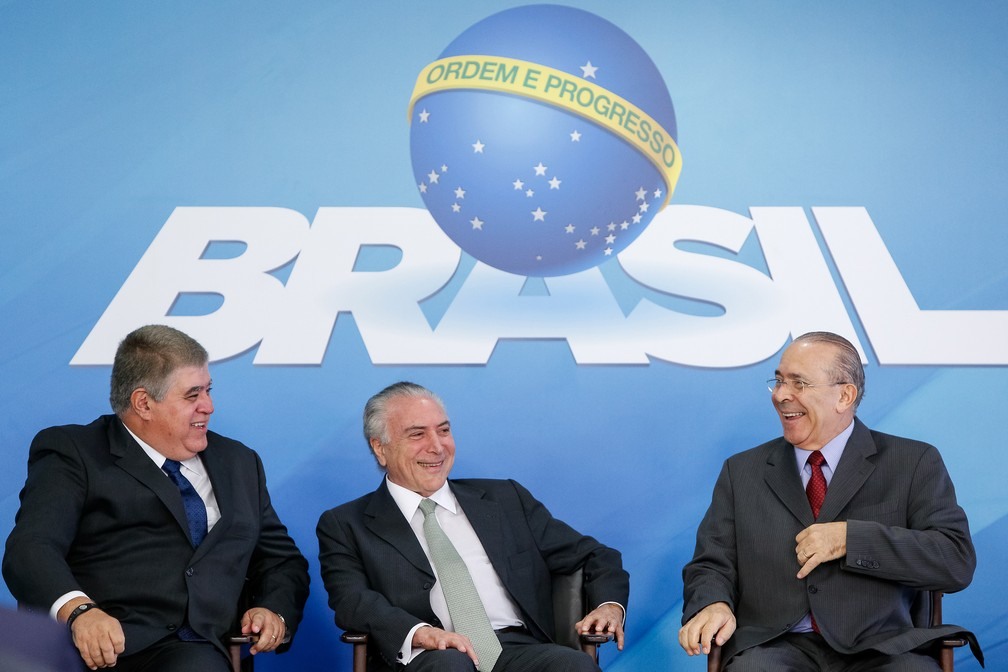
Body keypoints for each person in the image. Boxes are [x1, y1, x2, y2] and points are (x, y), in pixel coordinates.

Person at [3, 324, 310, 671]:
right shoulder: (76, 452)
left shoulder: (239, 462)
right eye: (192, 395)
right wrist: (80, 612)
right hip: (100, 646)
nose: (208, 406)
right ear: (143, 403)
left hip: (199, 648)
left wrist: (273, 610)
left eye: (208, 390)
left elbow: (281, 561)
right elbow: (31, 549)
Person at [678, 331, 982, 671]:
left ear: (845, 395)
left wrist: (851, 540)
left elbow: (955, 561)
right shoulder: (742, 471)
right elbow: (711, 563)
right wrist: (712, 603)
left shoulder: (912, 462)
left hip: (881, 646)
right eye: (778, 381)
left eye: (799, 383)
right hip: (774, 645)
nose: (780, 395)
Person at [316, 381, 629, 672]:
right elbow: (352, 601)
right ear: (380, 448)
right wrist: (421, 634)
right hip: (429, 658)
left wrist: (609, 607)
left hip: (515, 649)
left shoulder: (505, 499)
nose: (437, 446)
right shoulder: (346, 524)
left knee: (572, 666)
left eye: (444, 430)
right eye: (417, 435)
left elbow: (594, 556)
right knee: (451, 666)